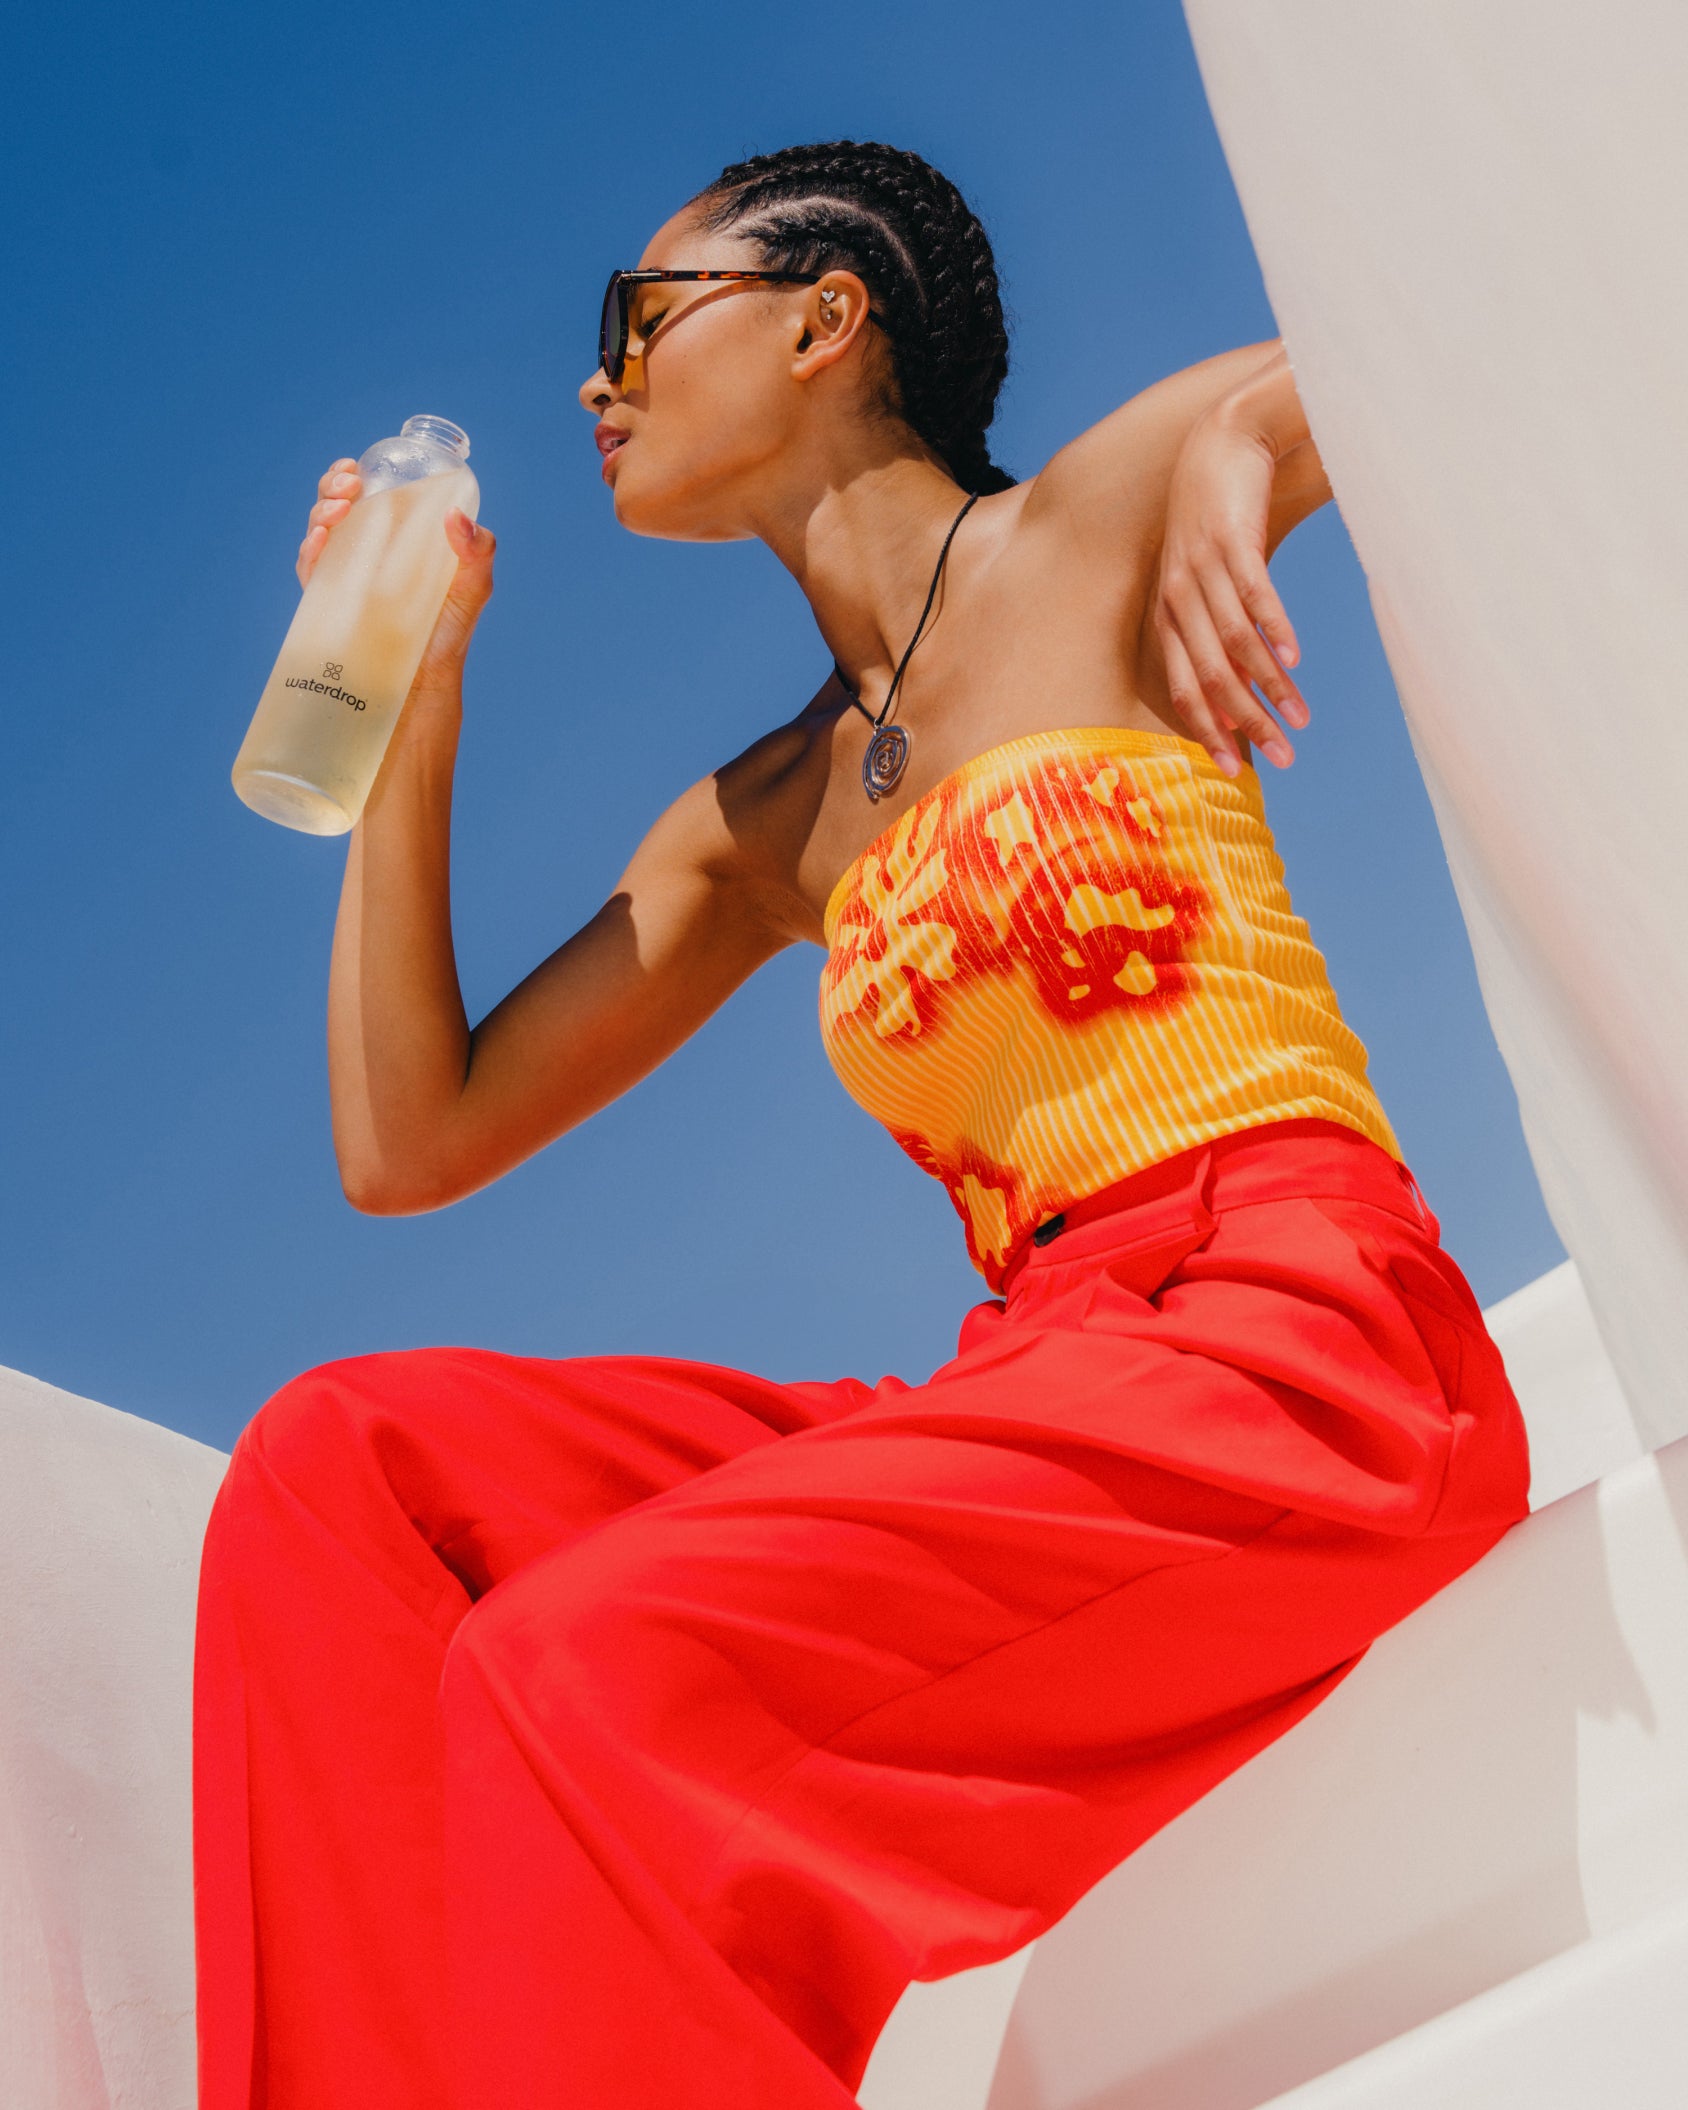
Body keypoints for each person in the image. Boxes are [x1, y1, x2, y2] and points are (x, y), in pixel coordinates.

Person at [192, 139, 1531, 2110]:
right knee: (341, 1471)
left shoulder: (1094, 515)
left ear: (829, 322)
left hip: (1299, 1343)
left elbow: (1376, 345)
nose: (594, 384)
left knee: (588, 1662)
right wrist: (410, 700)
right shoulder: (764, 821)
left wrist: (1247, 457)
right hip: (1037, 1370)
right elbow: (410, 1140)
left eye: (639, 324)